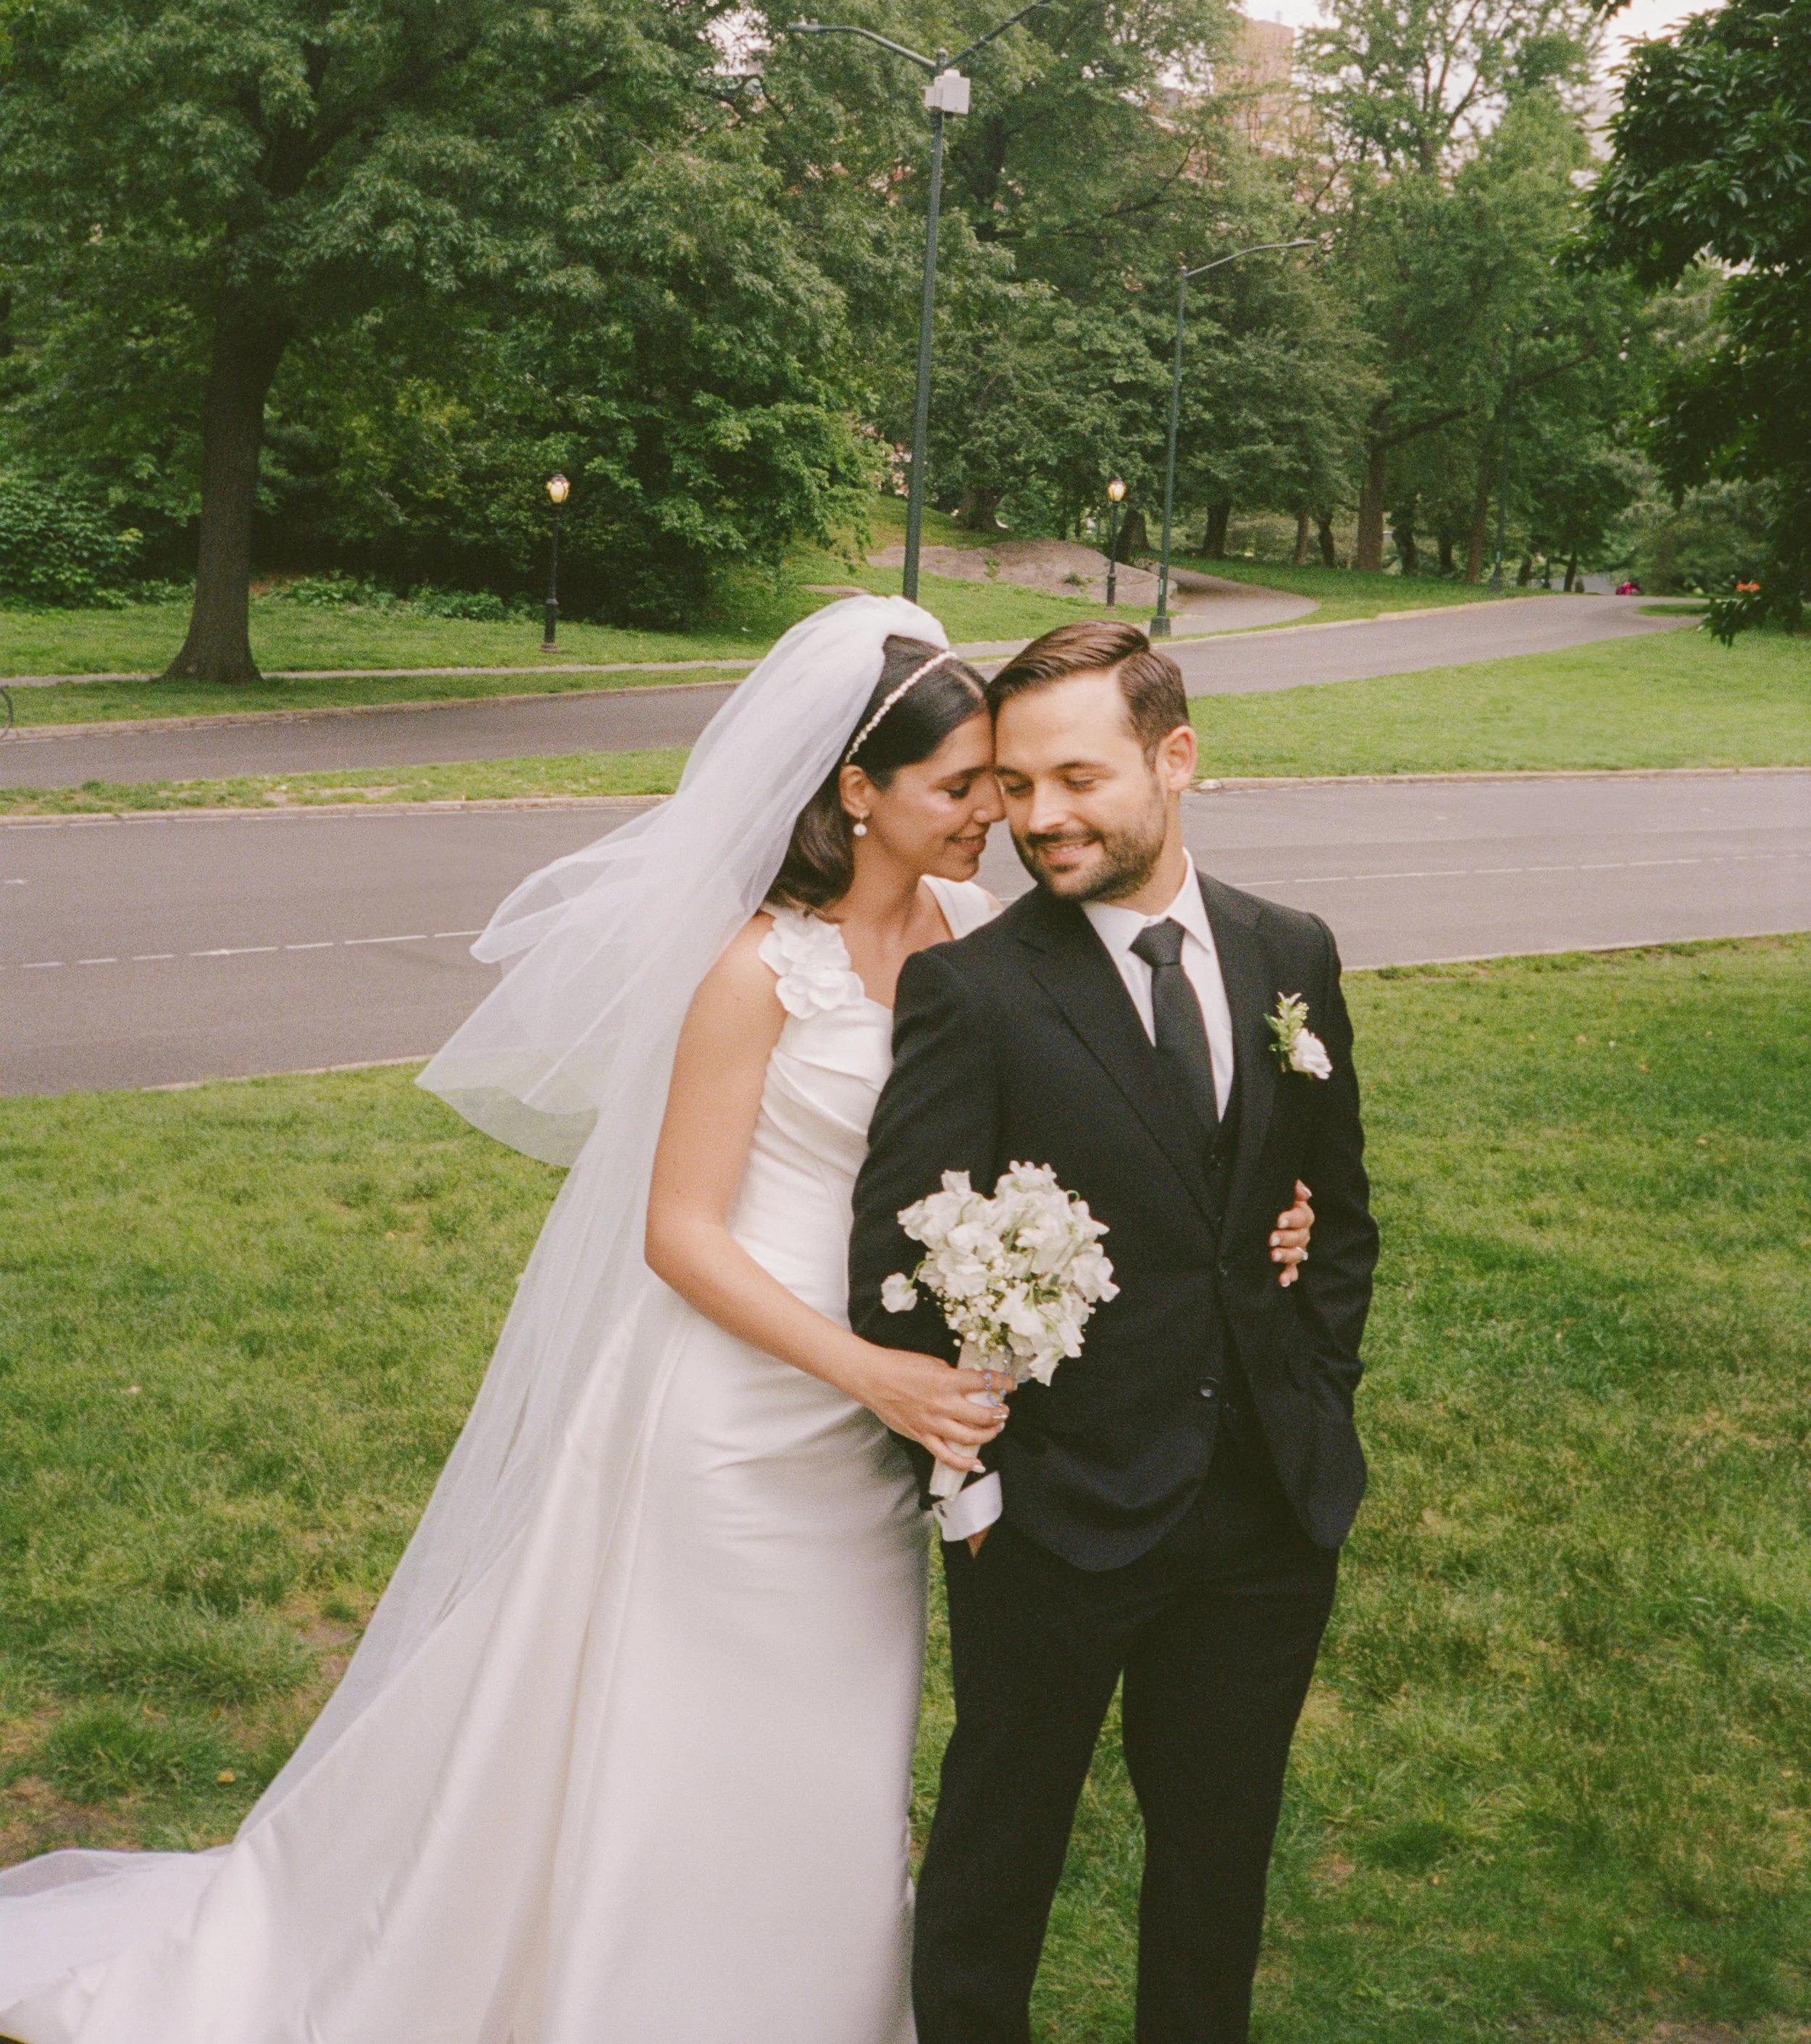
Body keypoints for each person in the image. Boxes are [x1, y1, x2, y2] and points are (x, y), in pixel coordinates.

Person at [0, 597, 1314, 2044]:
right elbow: (678, 1231)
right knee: (681, 1733)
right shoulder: (752, 968)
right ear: (854, 792)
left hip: (888, 1429)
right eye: (965, 787)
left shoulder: (983, 930)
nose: (992, 818)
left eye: (1004, 785)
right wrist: (866, 1368)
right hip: (740, 1408)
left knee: (834, 1747)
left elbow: (1081, 1117)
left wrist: (1250, 1218)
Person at [852, 618, 1376, 2044]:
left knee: (1215, 1874)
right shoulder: (977, 989)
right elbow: (896, 1268)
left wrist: (1315, 1397)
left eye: (1072, 778)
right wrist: (972, 1491)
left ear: (1175, 757)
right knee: (992, 1870)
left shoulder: (1290, 953)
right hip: (1056, 1518)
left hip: (1265, 1510)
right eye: (1013, 787)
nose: (1038, 819)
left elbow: (1334, 1215)